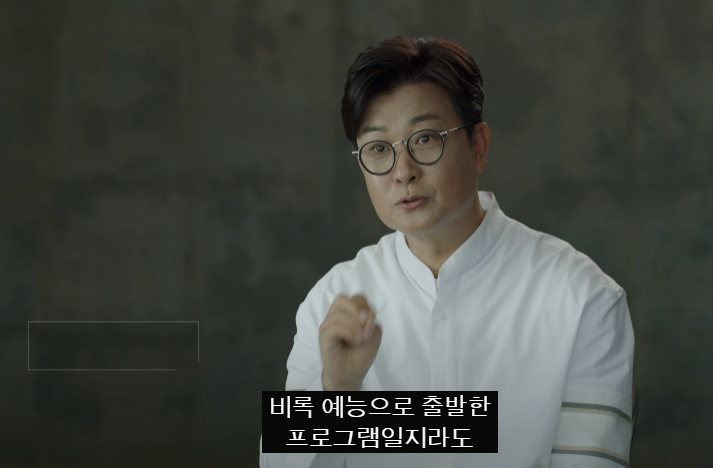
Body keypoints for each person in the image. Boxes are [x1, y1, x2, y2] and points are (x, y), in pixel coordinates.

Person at [260, 36, 635, 468]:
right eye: (378, 148)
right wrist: (336, 395)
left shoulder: (582, 300)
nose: (403, 172)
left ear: (479, 146)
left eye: (425, 139)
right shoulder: (330, 301)